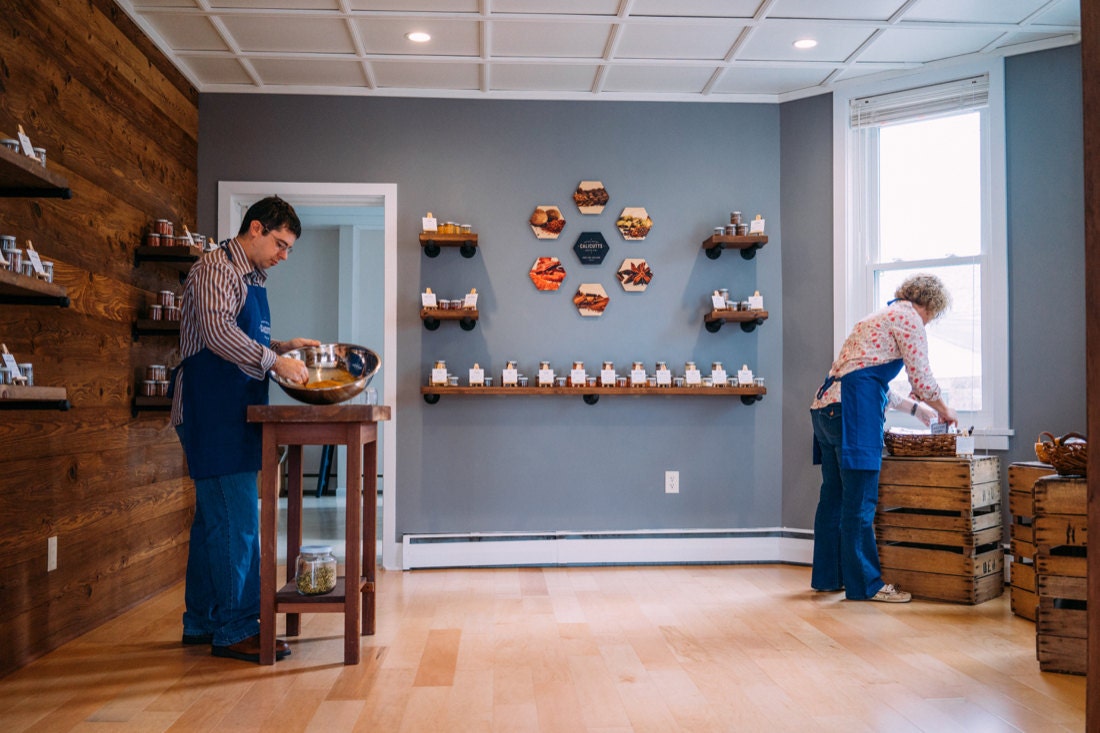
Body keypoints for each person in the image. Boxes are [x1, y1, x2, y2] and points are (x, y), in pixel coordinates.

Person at [170, 196, 318, 662]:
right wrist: (277, 361)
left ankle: (203, 621)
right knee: (236, 522)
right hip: (212, 412)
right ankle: (236, 629)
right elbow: (216, 335)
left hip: (233, 412)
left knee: (213, 521)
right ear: (255, 228)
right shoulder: (216, 269)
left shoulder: (250, 279)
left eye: (289, 248)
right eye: (280, 243)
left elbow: (243, 338)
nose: (283, 255)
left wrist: (281, 345)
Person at [810, 273, 958, 603]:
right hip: (852, 411)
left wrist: (916, 409)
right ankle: (867, 585)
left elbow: (865, 376)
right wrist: (945, 411)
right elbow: (920, 376)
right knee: (860, 500)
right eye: (932, 317)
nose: (929, 322)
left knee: (833, 497)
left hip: (824, 409)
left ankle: (828, 577)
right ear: (930, 306)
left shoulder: (876, 318)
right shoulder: (909, 318)